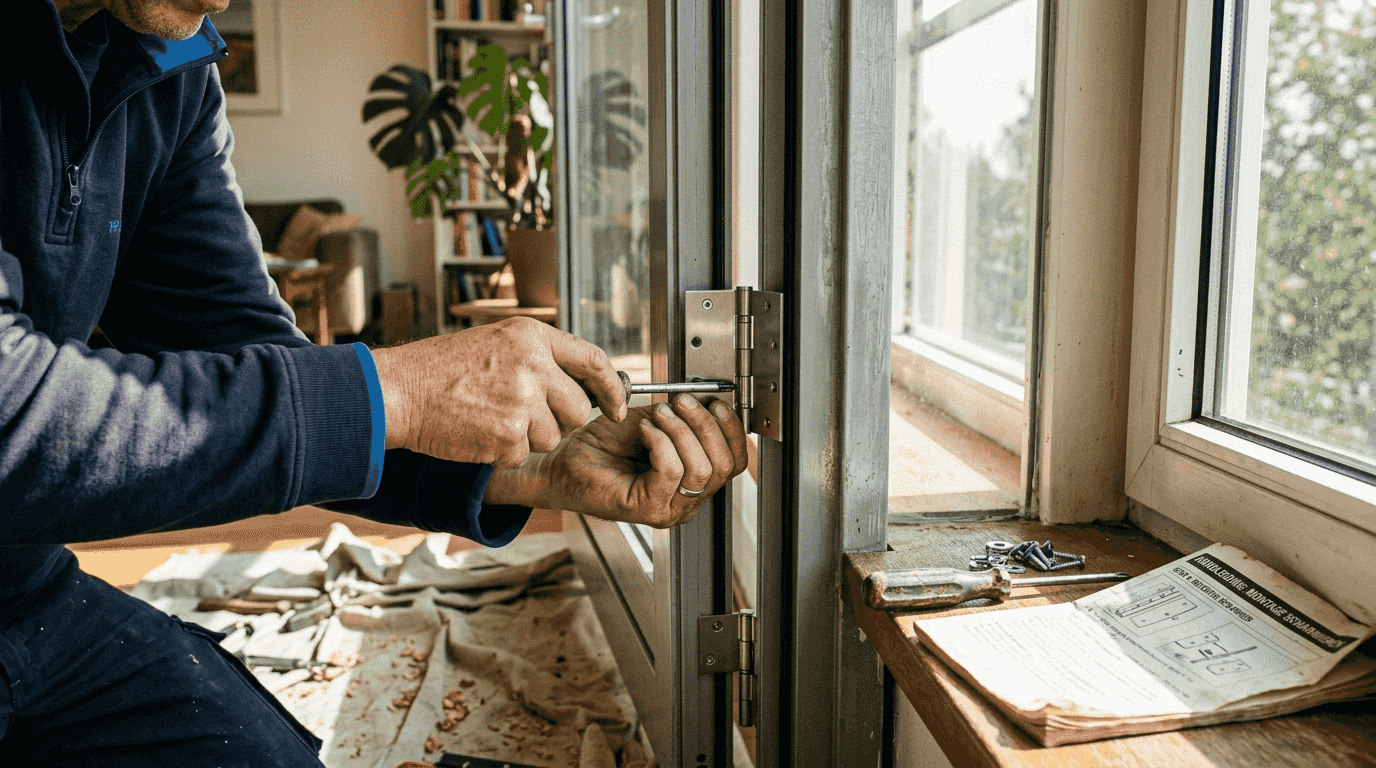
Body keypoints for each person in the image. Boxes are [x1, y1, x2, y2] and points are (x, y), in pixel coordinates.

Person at [0, 1, 748, 764]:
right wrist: (399, 391)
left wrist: (530, 463)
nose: (221, 2)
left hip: (21, 587)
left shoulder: (170, 66)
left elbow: (243, 349)